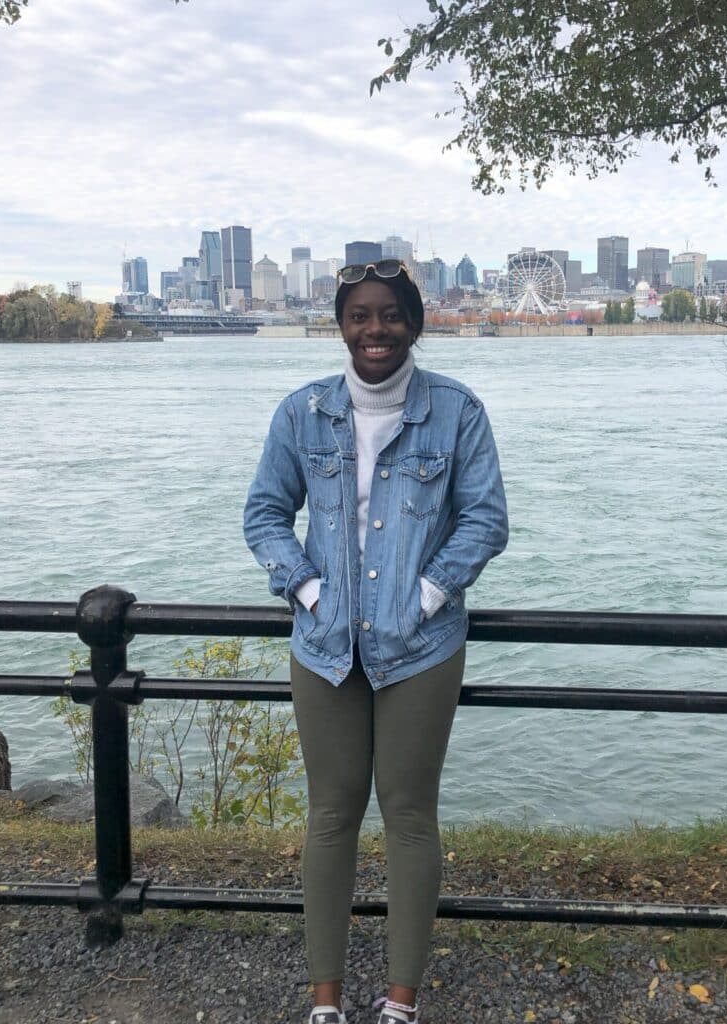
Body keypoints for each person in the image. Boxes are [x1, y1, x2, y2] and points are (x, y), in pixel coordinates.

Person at [243, 259, 508, 1024]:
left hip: (421, 645)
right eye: (360, 316)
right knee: (330, 815)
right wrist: (307, 586)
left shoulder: (457, 411)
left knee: (408, 812)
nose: (375, 330)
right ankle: (325, 1001)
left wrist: (426, 593)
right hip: (324, 643)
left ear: (414, 324)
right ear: (342, 327)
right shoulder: (302, 413)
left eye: (390, 315)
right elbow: (264, 514)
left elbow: (485, 518)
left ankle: (401, 999)